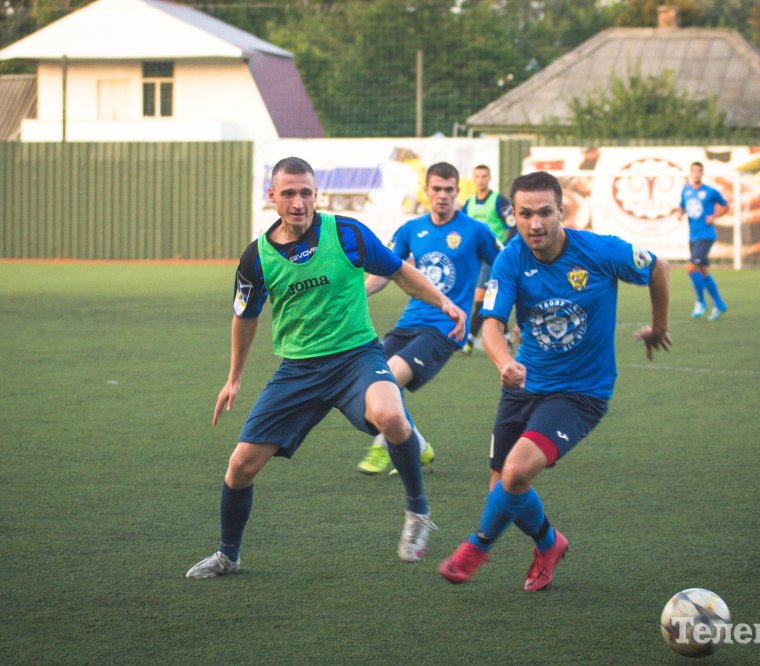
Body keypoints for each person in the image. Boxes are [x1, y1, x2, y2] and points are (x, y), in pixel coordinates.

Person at [186, 157, 466, 579]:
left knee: (391, 416)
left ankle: (418, 512)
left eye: (306, 193)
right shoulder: (256, 258)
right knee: (240, 466)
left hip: (357, 358)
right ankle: (228, 554)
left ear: (316, 194)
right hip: (298, 371)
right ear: (272, 196)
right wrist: (234, 377)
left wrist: (442, 301)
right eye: (289, 193)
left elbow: (400, 272)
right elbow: (245, 318)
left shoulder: (348, 234)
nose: (298, 202)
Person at [438, 171, 671, 591]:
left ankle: (477, 545)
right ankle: (549, 543)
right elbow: (491, 325)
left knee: (515, 474)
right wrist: (504, 362)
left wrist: (659, 326)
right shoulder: (511, 258)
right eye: (525, 214)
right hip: (524, 383)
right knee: (503, 489)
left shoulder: (599, 250)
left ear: (562, 211)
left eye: (545, 212)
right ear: (513, 215)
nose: (536, 223)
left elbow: (659, 268)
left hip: (581, 392)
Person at [357, 162, 501, 475]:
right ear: (426, 191)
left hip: (446, 327)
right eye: (437, 189)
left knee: (388, 378)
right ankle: (418, 446)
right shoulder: (411, 229)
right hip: (409, 322)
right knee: (368, 382)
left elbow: (504, 266)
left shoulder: (476, 231)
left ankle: (384, 446)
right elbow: (386, 271)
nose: (443, 195)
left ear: (457, 192)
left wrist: (498, 308)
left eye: (449, 189)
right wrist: (357, 295)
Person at [460, 164, 514, 354]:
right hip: (475, 257)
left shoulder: (498, 200)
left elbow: (513, 225)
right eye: (477, 176)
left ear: (489, 178)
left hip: (493, 257)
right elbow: (461, 227)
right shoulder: (469, 203)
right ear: (473, 179)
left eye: (484, 176)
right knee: (491, 297)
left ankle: (468, 339)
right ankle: (507, 337)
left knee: (481, 296)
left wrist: (504, 247)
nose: (481, 180)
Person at [672, 161, 729, 320]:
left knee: (691, 268)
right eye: (694, 171)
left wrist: (714, 216)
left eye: (699, 171)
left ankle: (701, 302)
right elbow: (682, 205)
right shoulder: (686, 190)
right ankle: (719, 304)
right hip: (693, 236)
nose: (696, 173)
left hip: (707, 235)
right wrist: (679, 213)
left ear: (702, 173)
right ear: (691, 173)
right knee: (702, 271)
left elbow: (725, 206)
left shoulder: (710, 191)